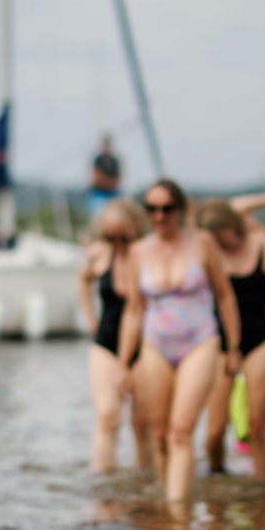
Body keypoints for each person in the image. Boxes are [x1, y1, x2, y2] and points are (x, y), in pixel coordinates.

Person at [120, 179, 241, 504]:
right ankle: (166, 497)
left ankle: (178, 514)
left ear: (180, 209)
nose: (159, 216)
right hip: (155, 345)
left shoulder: (202, 243)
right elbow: (133, 311)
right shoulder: (138, 251)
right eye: (152, 209)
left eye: (166, 209)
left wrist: (233, 347)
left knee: (181, 430)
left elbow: (225, 297)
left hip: (199, 342)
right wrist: (123, 364)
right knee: (158, 435)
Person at [194, 197, 265, 481]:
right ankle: (218, 477)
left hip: (260, 338)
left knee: (258, 424)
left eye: (219, 234)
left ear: (232, 225)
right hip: (219, 342)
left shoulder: (263, 245)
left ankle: (264, 486)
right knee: (215, 430)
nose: (216, 241)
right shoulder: (210, 254)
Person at [77, 199, 148, 471]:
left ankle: (145, 485)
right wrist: (90, 318)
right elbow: (83, 279)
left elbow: (138, 308)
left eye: (123, 237)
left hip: (145, 345)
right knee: (107, 416)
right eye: (110, 237)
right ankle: (104, 490)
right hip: (106, 341)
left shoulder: (145, 254)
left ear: (136, 229)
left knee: (143, 424)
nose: (117, 243)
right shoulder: (100, 254)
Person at [86, 133, 122, 218]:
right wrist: (105, 182)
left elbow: (118, 177)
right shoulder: (98, 159)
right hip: (99, 194)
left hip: (113, 193)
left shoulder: (114, 160)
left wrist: (109, 182)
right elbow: (95, 177)